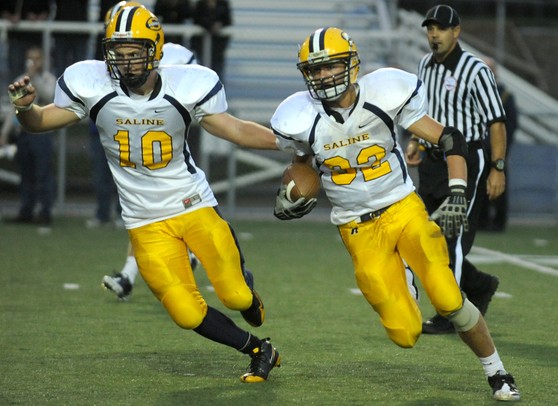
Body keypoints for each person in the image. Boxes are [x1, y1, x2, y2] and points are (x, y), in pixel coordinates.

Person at [8, 5, 281, 383]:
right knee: (186, 313)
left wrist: (286, 143)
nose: (125, 60)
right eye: (117, 51)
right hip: (143, 220)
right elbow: (40, 122)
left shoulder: (184, 84)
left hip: (192, 204)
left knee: (236, 297)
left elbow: (233, 129)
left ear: (155, 49)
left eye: (133, 50)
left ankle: (246, 288)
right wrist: (25, 111)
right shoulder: (92, 85)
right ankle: (258, 349)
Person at [271, 26, 520, 401]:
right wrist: (293, 189)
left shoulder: (383, 93)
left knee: (449, 298)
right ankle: (404, 275)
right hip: (356, 229)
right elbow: (301, 163)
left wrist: (456, 190)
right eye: (315, 70)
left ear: (351, 64)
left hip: (403, 209)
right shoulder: (300, 117)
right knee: (405, 334)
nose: (323, 76)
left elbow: (451, 137)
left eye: (331, 66)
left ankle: (498, 372)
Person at [405, 4, 505, 334]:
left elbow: (496, 121)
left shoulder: (476, 70)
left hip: (467, 159)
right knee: (426, 237)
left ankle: (451, 311)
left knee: (453, 237)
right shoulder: (424, 65)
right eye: (430, 28)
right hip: (434, 161)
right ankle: (479, 285)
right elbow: (423, 110)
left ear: (456, 32)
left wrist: (497, 167)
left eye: (441, 29)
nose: (434, 34)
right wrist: (417, 143)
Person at [99, 1, 199, 301]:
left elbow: (197, 99)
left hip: (168, 146)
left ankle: (215, 259)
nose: (124, 54)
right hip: (132, 146)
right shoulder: (115, 65)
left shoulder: (177, 57)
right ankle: (132, 274)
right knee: (139, 209)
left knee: (190, 206)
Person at [3, 45, 56, 225]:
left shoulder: (49, 79)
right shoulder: (20, 80)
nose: (33, 62)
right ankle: (26, 210)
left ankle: (45, 212)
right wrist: (5, 132)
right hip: (23, 134)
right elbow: (13, 108)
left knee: (43, 174)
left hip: (42, 132)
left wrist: (34, 78)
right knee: (26, 174)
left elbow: (49, 97)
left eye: (37, 59)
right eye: (30, 59)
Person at [478, 57, 518, 232]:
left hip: (497, 150)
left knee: (499, 186)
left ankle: (499, 222)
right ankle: (481, 220)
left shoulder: (505, 95)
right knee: (480, 187)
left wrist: (503, 149)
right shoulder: (475, 95)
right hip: (479, 150)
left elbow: (511, 124)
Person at [191, 0, 231, 80]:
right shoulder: (200, 4)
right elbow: (197, 20)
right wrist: (210, 26)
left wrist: (220, 25)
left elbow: (228, 21)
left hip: (218, 47)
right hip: (201, 46)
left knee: (218, 73)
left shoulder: (223, 4)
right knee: (201, 73)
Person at [52, 0, 89, 77]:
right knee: (60, 68)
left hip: (81, 29)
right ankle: (60, 88)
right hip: (61, 29)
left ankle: (78, 88)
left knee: (80, 69)